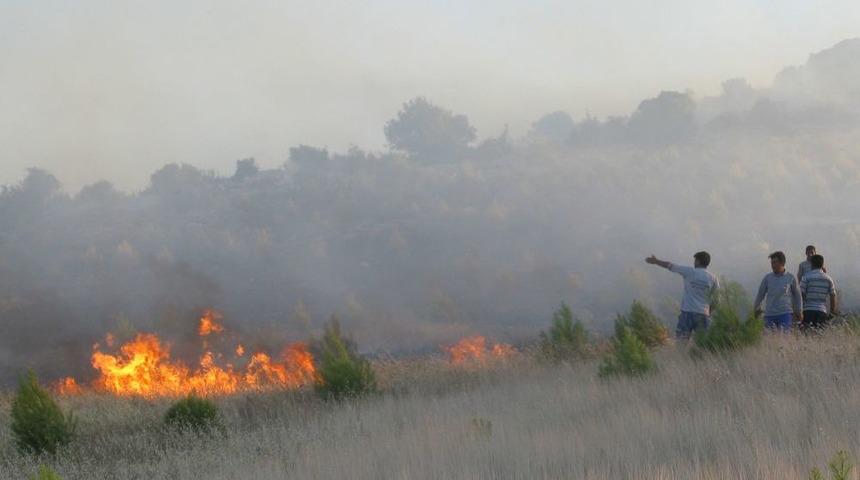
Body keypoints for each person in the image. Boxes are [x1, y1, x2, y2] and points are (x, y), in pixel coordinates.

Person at [645, 251, 719, 339]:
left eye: (695, 260)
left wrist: (656, 261)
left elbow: (670, 266)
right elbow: (717, 300)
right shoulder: (713, 278)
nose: (694, 262)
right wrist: (708, 312)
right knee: (702, 345)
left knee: (681, 344)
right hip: (703, 315)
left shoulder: (689, 271)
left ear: (698, 261)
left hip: (687, 313)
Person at [754, 251, 803, 331]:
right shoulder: (767, 278)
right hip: (769, 314)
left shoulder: (790, 277)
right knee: (769, 339)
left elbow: (798, 295)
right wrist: (756, 308)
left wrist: (799, 311)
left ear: (782, 263)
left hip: (785, 314)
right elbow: (760, 295)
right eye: (772, 263)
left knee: (783, 339)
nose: (772, 265)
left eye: (775, 262)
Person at [799, 254, 837, 332]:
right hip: (822, 311)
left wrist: (799, 311)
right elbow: (832, 296)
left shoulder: (806, 277)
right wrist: (832, 312)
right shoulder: (828, 279)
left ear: (811, 264)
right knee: (819, 337)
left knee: (807, 336)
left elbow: (801, 294)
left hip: (808, 310)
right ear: (822, 264)